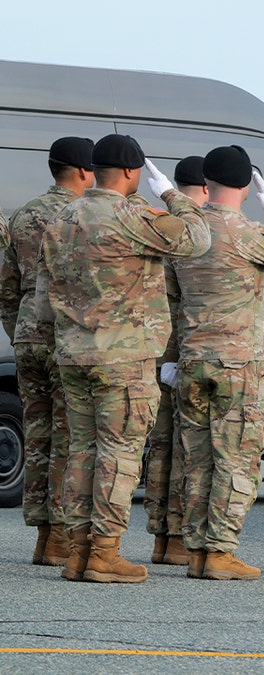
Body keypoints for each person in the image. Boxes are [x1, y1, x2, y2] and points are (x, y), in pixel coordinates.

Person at [43, 134, 211, 583]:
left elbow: (44, 291)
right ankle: (104, 552)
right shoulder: (133, 215)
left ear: (94, 170)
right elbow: (197, 238)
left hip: (73, 354)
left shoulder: (62, 216)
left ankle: (78, 553)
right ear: (134, 173)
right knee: (118, 455)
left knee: (81, 451)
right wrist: (173, 195)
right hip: (124, 357)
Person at [174, 147, 264, 581]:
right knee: (236, 458)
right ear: (244, 186)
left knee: (197, 459)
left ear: (207, 181)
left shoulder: (185, 231)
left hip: (192, 358)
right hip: (236, 363)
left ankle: (196, 550)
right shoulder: (247, 232)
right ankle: (219, 552)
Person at [0, 137, 92, 566]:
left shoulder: (24, 214)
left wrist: (19, 330)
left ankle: (42, 536)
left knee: (37, 434)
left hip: (27, 334)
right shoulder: (78, 215)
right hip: (62, 338)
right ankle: (58, 537)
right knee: (67, 437)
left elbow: (6, 286)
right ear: (83, 171)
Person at [142, 156, 207, 567]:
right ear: (202, 189)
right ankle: (179, 536)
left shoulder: (156, 225)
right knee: (185, 447)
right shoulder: (194, 233)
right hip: (184, 349)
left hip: (155, 348)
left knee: (160, 445)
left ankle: (161, 539)